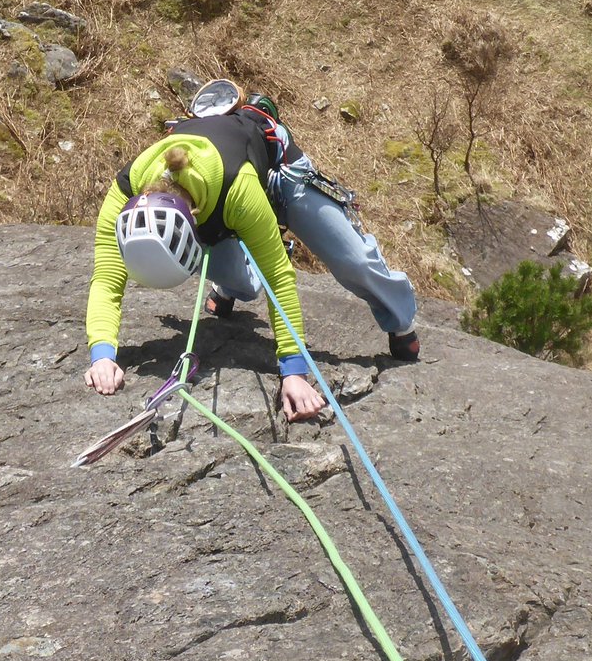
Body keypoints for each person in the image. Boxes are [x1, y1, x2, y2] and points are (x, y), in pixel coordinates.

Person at [84, 108, 327, 422]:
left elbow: (278, 276)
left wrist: (294, 371)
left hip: (272, 166)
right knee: (247, 285)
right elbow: (107, 278)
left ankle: (401, 322)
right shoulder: (125, 190)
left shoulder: (237, 187)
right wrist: (102, 355)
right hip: (213, 212)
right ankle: (238, 261)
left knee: (353, 261)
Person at [207, 94, 419, 362]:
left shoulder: (264, 132)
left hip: (288, 173)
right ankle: (233, 284)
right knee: (221, 244)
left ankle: (399, 316)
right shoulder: (187, 149)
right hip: (229, 186)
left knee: (354, 261)